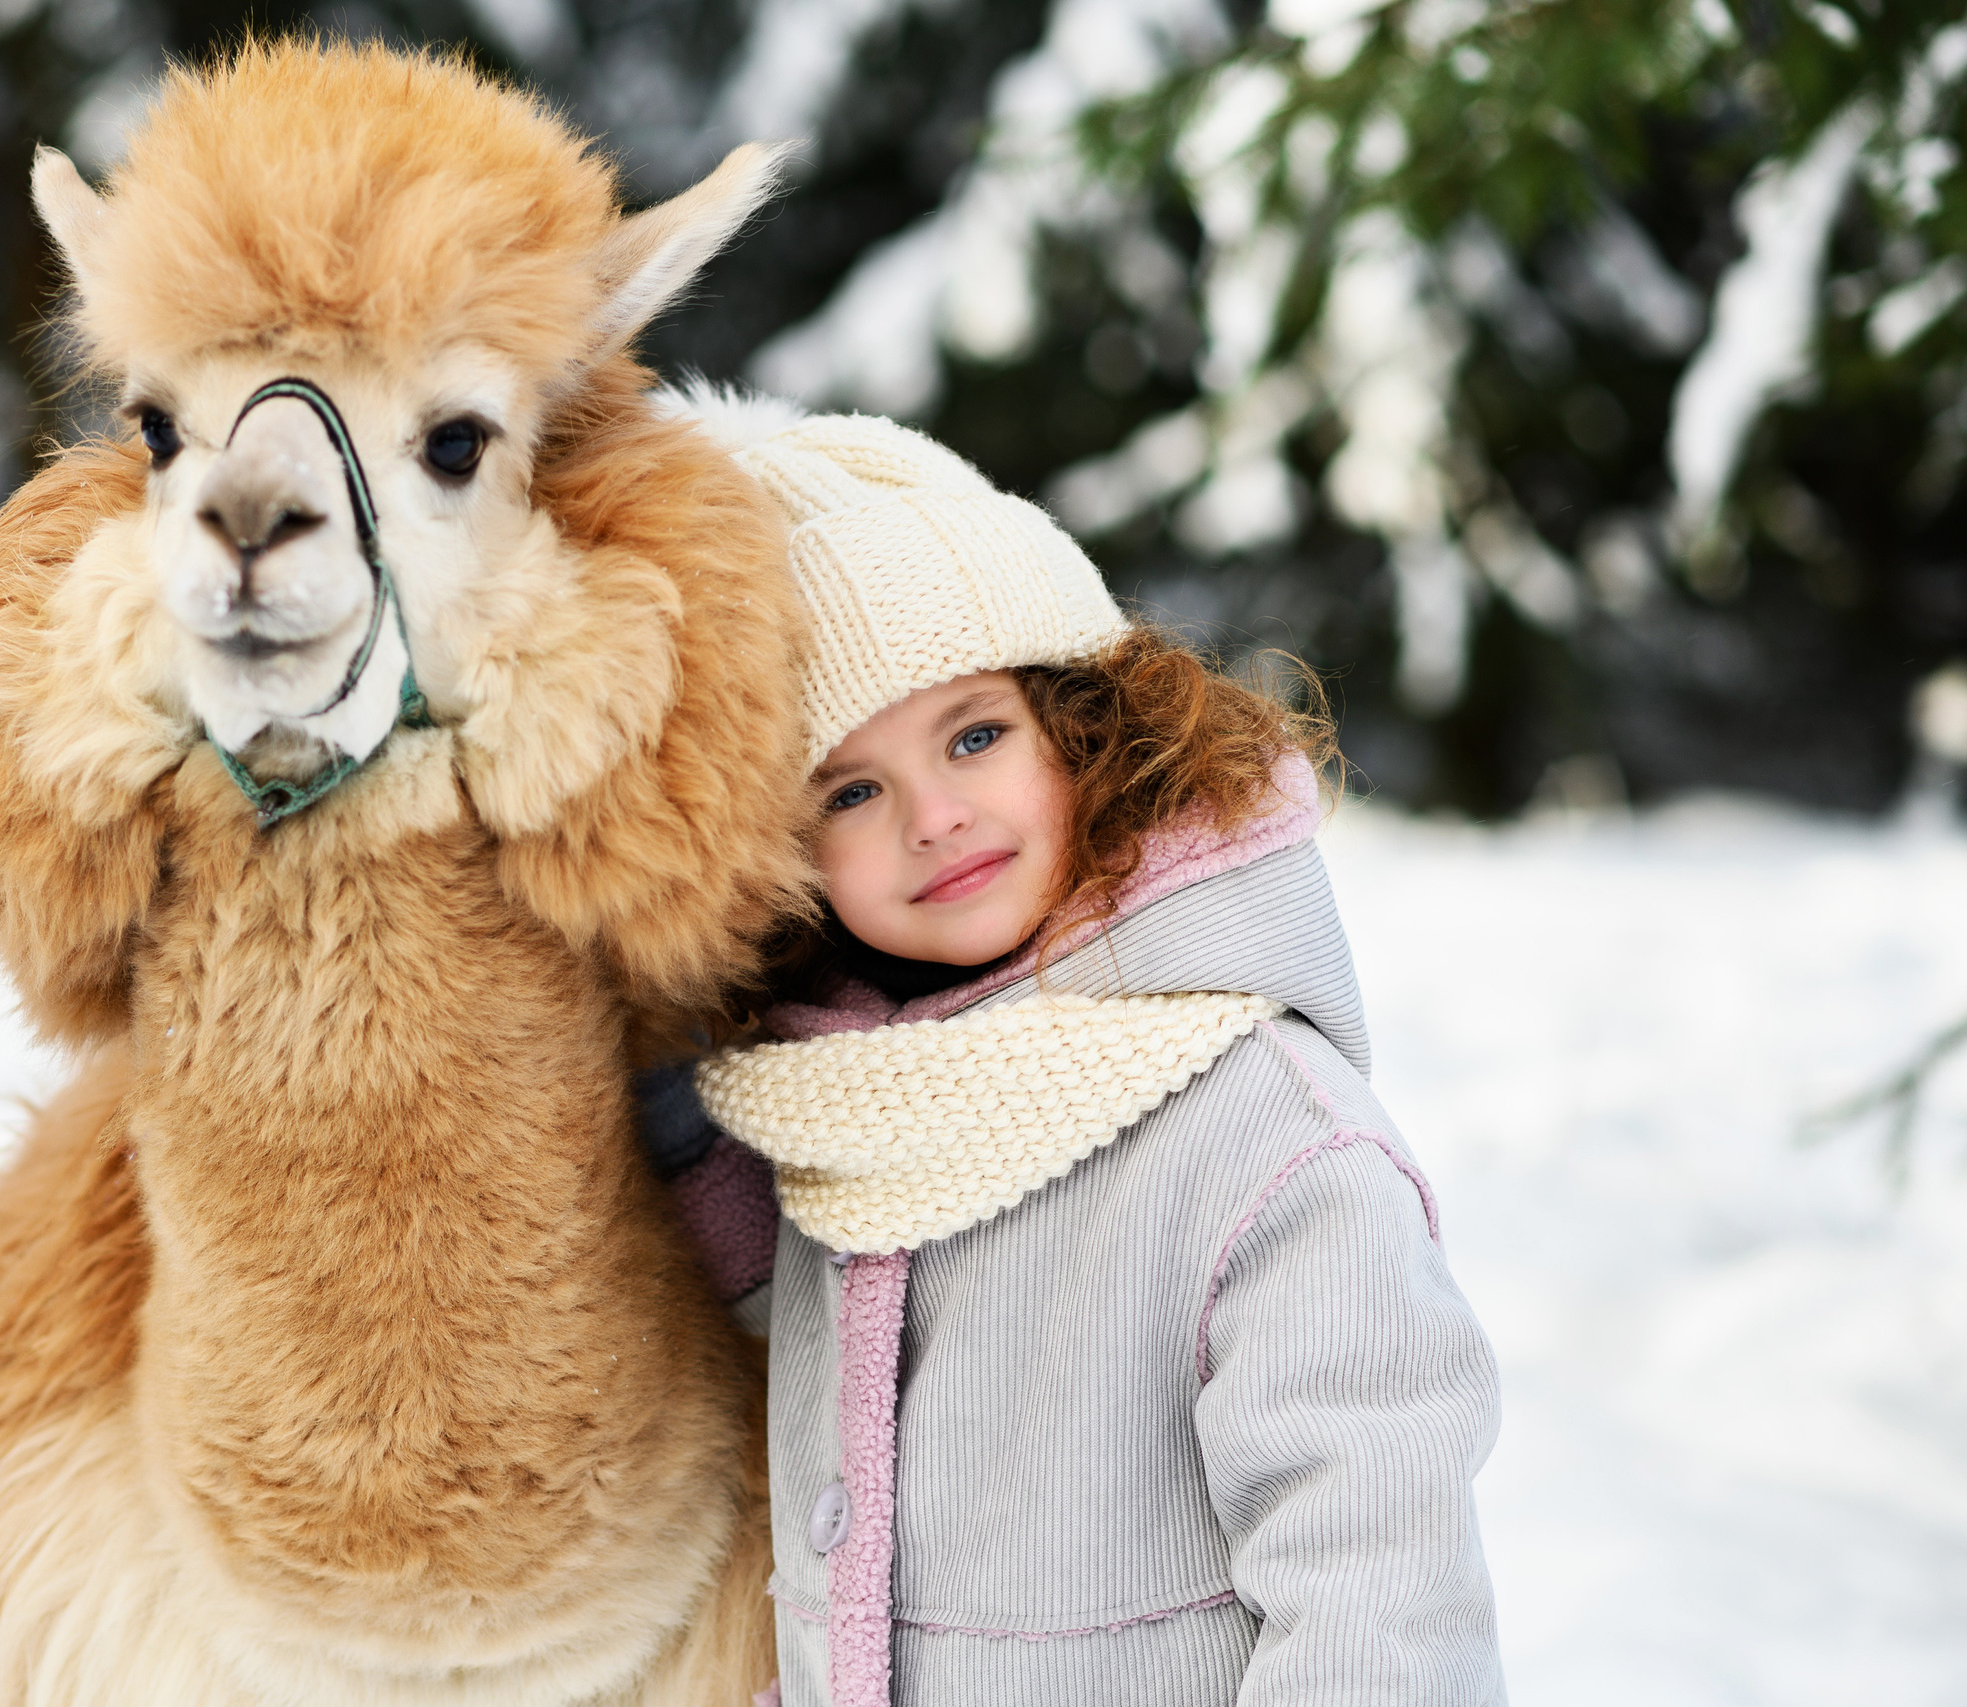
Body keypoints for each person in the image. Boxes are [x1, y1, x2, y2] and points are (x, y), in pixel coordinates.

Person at [643, 401, 1505, 1707]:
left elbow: (1380, 1596)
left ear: (1082, 728)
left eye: (975, 734)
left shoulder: (1263, 1137)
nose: (934, 817)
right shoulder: (834, 1121)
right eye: (849, 792)